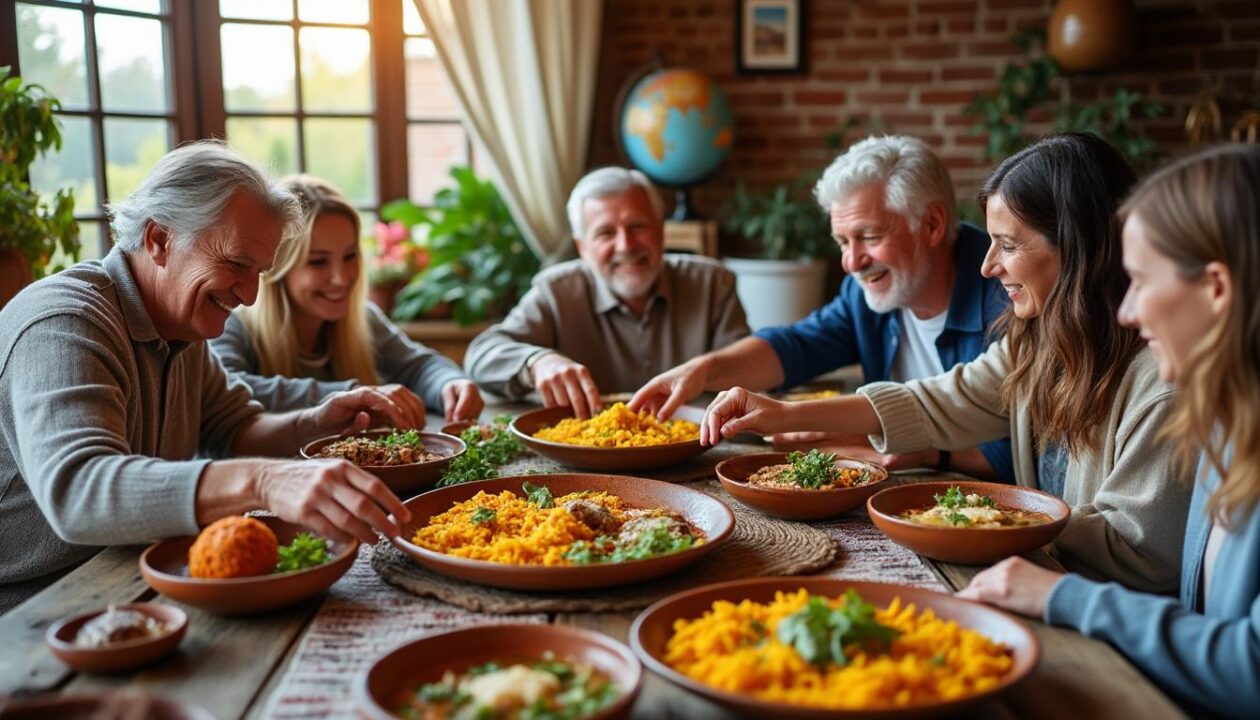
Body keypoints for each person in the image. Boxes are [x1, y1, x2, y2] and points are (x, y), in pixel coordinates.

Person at [700, 133, 1193, 592]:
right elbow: (939, 400)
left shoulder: (1160, 385)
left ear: (1077, 247)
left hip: (1099, 619)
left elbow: (1140, 553)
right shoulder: (1040, 340)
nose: (988, 265)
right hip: (1040, 576)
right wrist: (783, 414)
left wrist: (989, 512)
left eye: (1008, 244)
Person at [0, 142, 416, 613]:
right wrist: (264, 481)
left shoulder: (180, 324)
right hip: (32, 610)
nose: (250, 296)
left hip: (133, 576)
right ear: (159, 240)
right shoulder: (63, 321)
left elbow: (235, 431)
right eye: (237, 264)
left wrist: (318, 422)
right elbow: (80, 491)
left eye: (259, 272)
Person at [957, 144, 1260, 718]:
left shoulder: (1181, 401)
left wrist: (1061, 595)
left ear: (1216, 289)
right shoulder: (1226, 423)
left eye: (1141, 281)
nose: (1126, 310)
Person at [630, 135, 1013, 482]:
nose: (851, 262)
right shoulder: (869, 289)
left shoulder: (1011, 293)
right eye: (842, 241)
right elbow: (797, 345)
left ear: (931, 224)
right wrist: (701, 371)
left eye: (869, 236)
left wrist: (918, 449)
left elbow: (1032, 448)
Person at [464, 167, 749, 418]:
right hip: (585, 462)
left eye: (637, 226)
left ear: (662, 232)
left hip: (698, 449)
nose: (625, 245)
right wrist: (536, 362)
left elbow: (750, 368)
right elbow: (481, 354)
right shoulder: (556, 292)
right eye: (605, 233)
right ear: (582, 247)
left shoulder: (712, 284)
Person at [210, 174, 482, 422]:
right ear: (275, 267)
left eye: (350, 256)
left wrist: (450, 384)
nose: (341, 278)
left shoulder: (363, 319)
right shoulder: (232, 326)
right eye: (318, 262)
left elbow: (419, 367)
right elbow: (226, 391)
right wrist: (349, 395)